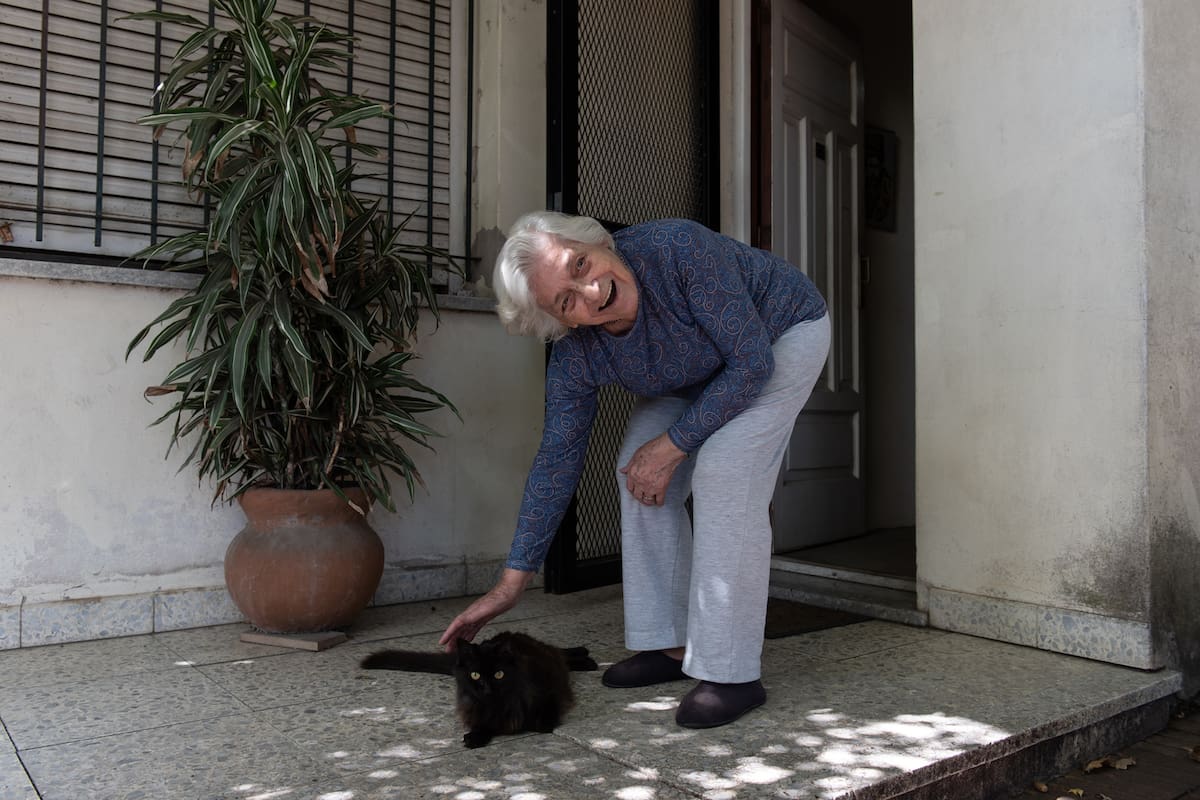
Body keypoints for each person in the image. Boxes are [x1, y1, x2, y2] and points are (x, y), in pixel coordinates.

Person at [439, 212, 830, 728]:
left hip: (779, 335)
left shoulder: (676, 248)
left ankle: (731, 673)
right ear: (562, 324)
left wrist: (675, 444)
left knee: (723, 472)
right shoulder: (577, 354)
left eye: (581, 263)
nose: (591, 290)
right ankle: (667, 645)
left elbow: (750, 363)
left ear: (598, 242)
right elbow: (557, 458)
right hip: (695, 372)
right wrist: (511, 583)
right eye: (566, 300)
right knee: (637, 471)